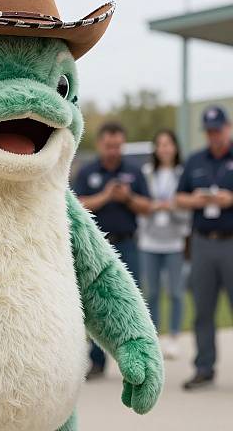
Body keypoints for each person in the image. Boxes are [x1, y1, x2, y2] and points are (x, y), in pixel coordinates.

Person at [74, 121, 151, 378]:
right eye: (109, 146)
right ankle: (97, 362)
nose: (113, 151)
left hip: (127, 243)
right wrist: (106, 196)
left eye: (118, 146)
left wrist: (128, 198)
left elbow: (148, 207)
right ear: (100, 144)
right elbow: (77, 204)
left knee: (130, 300)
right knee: (94, 302)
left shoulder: (134, 172)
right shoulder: (88, 172)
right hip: (97, 246)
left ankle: (134, 360)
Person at [176, 105, 233, 390]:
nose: (214, 135)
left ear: (229, 127)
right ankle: (204, 367)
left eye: (218, 130)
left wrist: (229, 199)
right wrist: (197, 200)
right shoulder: (195, 160)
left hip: (230, 242)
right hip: (202, 243)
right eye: (209, 131)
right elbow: (179, 198)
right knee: (202, 309)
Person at [138, 129, 189, 359]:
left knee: (176, 292)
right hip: (150, 240)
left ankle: (175, 337)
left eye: (168, 144)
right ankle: (155, 337)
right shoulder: (147, 172)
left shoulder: (182, 173)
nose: (164, 148)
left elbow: (186, 205)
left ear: (175, 147)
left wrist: (172, 207)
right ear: (155, 149)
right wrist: (153, 207)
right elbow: (141, 204)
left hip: (174, 241)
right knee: (153, 292)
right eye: (160, 144)